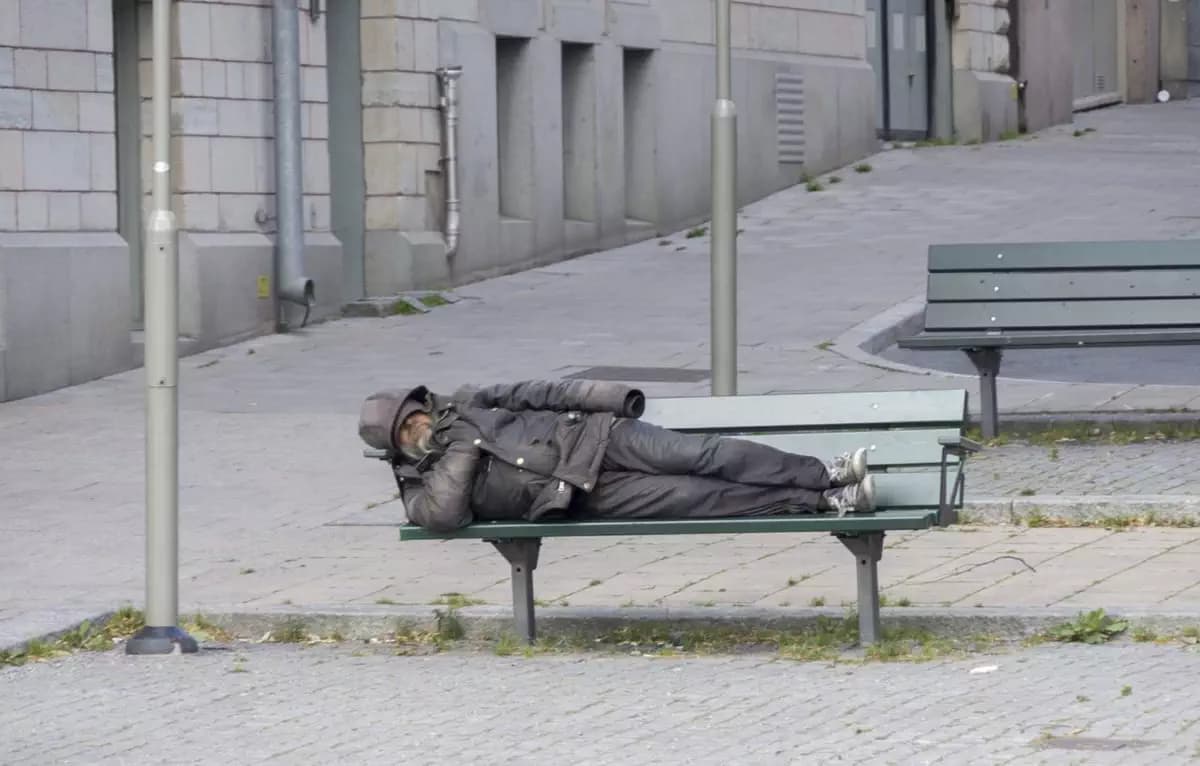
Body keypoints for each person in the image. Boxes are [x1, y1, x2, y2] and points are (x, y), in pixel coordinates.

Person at [358, 380, 876, 533]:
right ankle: (826, 503)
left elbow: (538, 392)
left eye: (414, 416)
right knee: (703, 497)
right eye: (405, 432)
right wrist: (460, 445)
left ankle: (823, 473)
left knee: (704, 454)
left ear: (422, 406)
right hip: (579, 494)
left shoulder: (467, 402)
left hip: (596, 436)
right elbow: (446, 515)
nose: (417, 428)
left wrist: (606, 397)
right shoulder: (419, 491)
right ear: (394, 448)